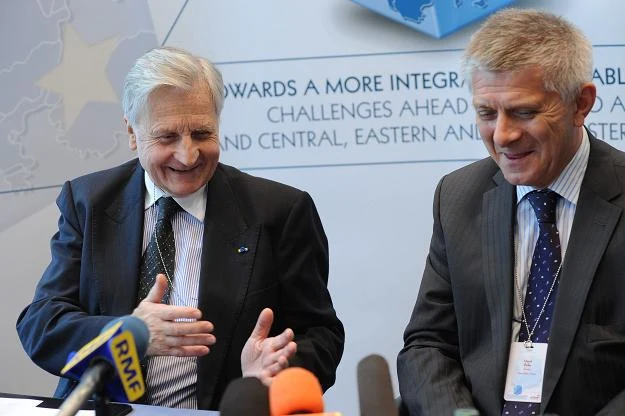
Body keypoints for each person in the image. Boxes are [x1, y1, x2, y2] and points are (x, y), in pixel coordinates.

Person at [16, 46, 344, 410]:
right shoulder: (89, 202)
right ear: (132, 132)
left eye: (202, 133)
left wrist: (275, 369)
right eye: (167, 137)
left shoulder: (280, 211)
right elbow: (42, 325)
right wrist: (127, 335)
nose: (188, 156)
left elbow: (321, 335)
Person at [397, 8, 625, 416]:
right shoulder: (458, 197)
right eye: (487, 113)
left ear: (581, 104)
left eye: (524, 112)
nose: (503, 136)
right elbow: (428, 345)